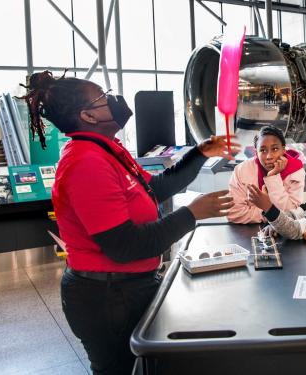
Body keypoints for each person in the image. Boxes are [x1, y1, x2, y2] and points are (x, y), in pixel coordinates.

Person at [21, 70, 240, 375]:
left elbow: (157, 187)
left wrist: (201, 152)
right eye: (103, 97)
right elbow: (124, 246)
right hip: (107, 298)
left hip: (129, 288)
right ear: (88, 116)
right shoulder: (86, 163)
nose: (113, 99)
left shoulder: (108, 150)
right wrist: (192, 214)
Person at [227, 126, 305, 224]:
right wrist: (269, 213)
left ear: (284, 150)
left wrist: (273, 176)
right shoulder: (242, 170)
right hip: (247, 231)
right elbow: (233, 213)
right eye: (263, 150)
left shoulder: (295, 170)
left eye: (275, 149)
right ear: (256, 152)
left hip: (285, 233)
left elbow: (292, 215)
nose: (269, 156)